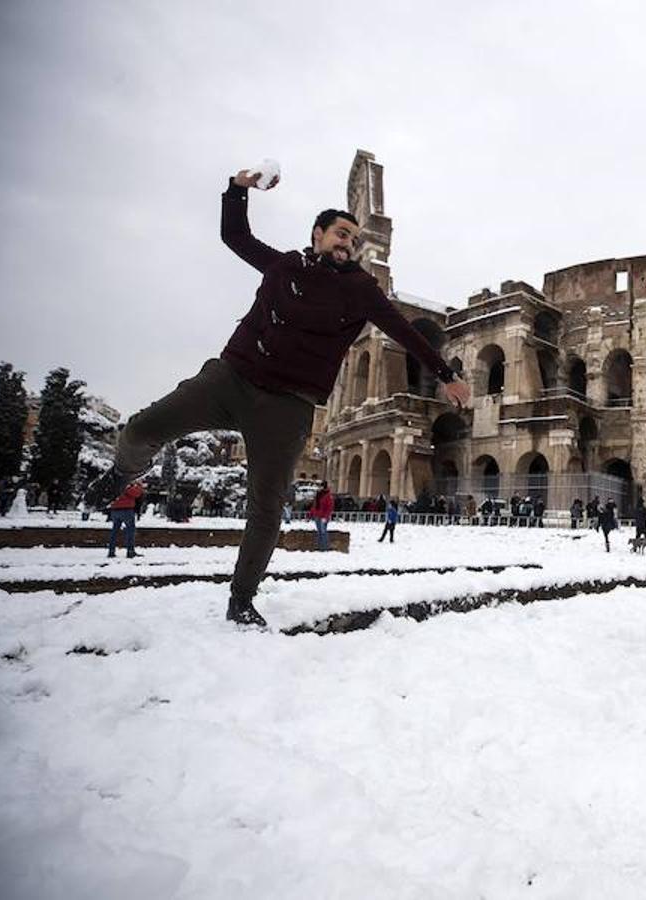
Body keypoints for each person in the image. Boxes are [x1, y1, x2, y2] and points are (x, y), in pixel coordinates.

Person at [82, 166, 470, 626]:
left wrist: (446, 374)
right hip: (233, 378)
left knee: (266, 509)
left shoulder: (361, 290)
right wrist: (237, 189)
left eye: (354, 238)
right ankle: (124, 472)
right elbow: (235, 236)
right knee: (141, 427)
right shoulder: (287, 264)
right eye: (341, 233)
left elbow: (405, 331)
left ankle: (241, 599)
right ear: (318, 234)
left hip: (287, 405)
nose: (348, 243)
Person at [106, 481, 145, 559]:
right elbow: (136, 494)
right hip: (126, 510)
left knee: (114, 531)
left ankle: (111, 551)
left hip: (115, 510)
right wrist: (139, 486)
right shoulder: (125, 485)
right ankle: (130, 551)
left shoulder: (113, 485)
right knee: (130, 531)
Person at [309, 482, 334, 551]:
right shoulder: (318, 494)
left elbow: (329, 507)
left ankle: (325, 546)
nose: (319, 488)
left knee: (323, 531)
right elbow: (314, 505)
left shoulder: (328, 495)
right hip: (317, 515)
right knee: (319, 531)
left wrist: (326, 517)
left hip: (323, 516)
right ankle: (320, 546)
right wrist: (311, 514)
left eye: (321, 486)